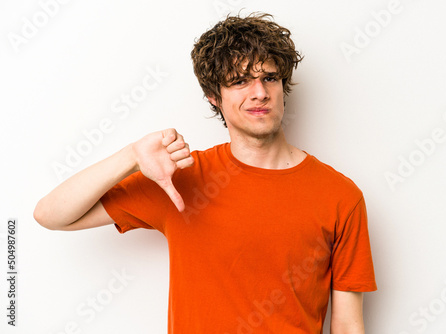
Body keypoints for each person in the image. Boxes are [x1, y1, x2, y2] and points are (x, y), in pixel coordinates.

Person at [34, 12, 376, 334]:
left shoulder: (340, 196)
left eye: (269, 77)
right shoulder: (179, 179)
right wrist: (131, 156)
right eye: (240, 81)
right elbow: (51, 215)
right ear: (214, 96)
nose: (259, 92)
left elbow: (347, 326)